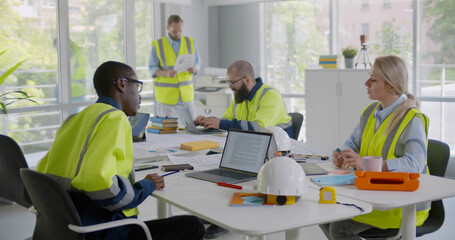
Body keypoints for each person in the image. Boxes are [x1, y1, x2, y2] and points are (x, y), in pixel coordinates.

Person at [36, 61, 205, 240]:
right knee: (194, 226)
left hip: (70, 227)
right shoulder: (115, 118)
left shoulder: (75, 118)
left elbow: (46, 172)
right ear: (121, 84)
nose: (139, 96)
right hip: (103, 230)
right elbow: (100, 184)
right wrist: (146, 186)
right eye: (137, 86)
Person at [320, 56, 430, 240]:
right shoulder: (370, 112)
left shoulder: (413, 119)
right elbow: (352, 143)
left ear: (391, 85)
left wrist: (366, 163)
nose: (366, 83)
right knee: (323, 214)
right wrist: (343, 155)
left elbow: (414, 165)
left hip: (401, 205)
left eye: (373, 79)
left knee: (339, 229)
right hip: (372, 194)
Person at [194, 60, 293, 138]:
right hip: (253, 142)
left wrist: (220, 124)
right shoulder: (241, 96)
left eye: (233, 83)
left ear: (247, 80)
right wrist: (209, 121)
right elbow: (227, 120)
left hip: (278, 147)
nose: (230, 87)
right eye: (229, 83)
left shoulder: (270, 95)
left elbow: (258, 128)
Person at [148, 15, 200, 119]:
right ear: (168, 28)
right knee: (168, 131)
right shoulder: (158, 45)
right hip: (167, 99)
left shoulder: (190, 43)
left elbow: (197, 63)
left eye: (180, 31)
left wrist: (194, 69)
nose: (178, 34)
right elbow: (152, 69)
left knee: (191, 130)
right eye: (175, 31)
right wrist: (166, 73)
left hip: (186, 97)